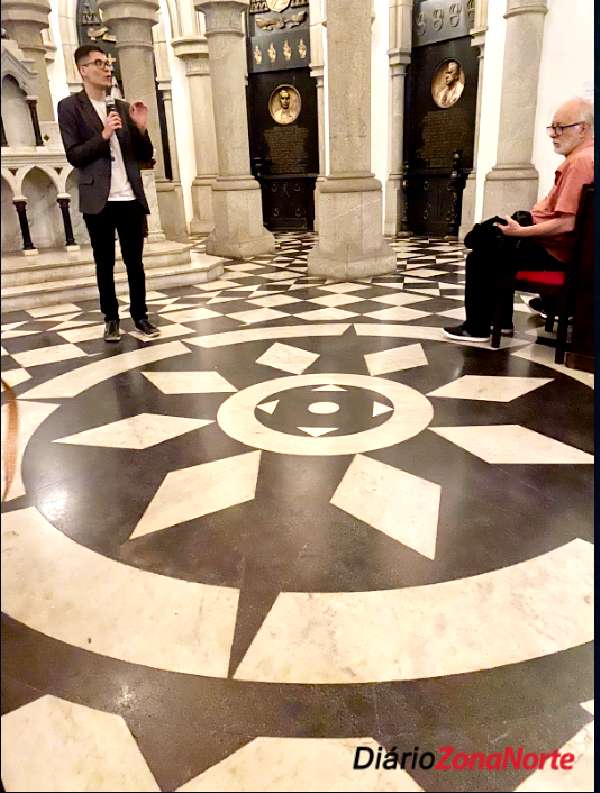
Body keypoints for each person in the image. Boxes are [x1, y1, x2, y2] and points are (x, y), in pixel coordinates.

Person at [444, 97, 594, 342]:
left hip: (555, 251)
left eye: (560, 127)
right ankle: (499, 322)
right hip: (555, 245)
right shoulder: (586, 157)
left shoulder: (580, 162)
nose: (553, 134)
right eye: (552, 127)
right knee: (490, 239)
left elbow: (567, 223)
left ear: (582, 128)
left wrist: (518, 232)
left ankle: (478, 326)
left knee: (481, 255)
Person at [57, 44, 160, 342]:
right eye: (99, 63)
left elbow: (145, 155)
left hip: (129, 197)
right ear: (83, 70)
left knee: (134, 262)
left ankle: (140, 316)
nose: (107, 68)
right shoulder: (70, 107)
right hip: (98, 198)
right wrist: (104, 135)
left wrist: (141, 128)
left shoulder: (123, 106)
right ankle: (111, 318)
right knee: (104, 262)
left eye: (108, 63)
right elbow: (74, 155)